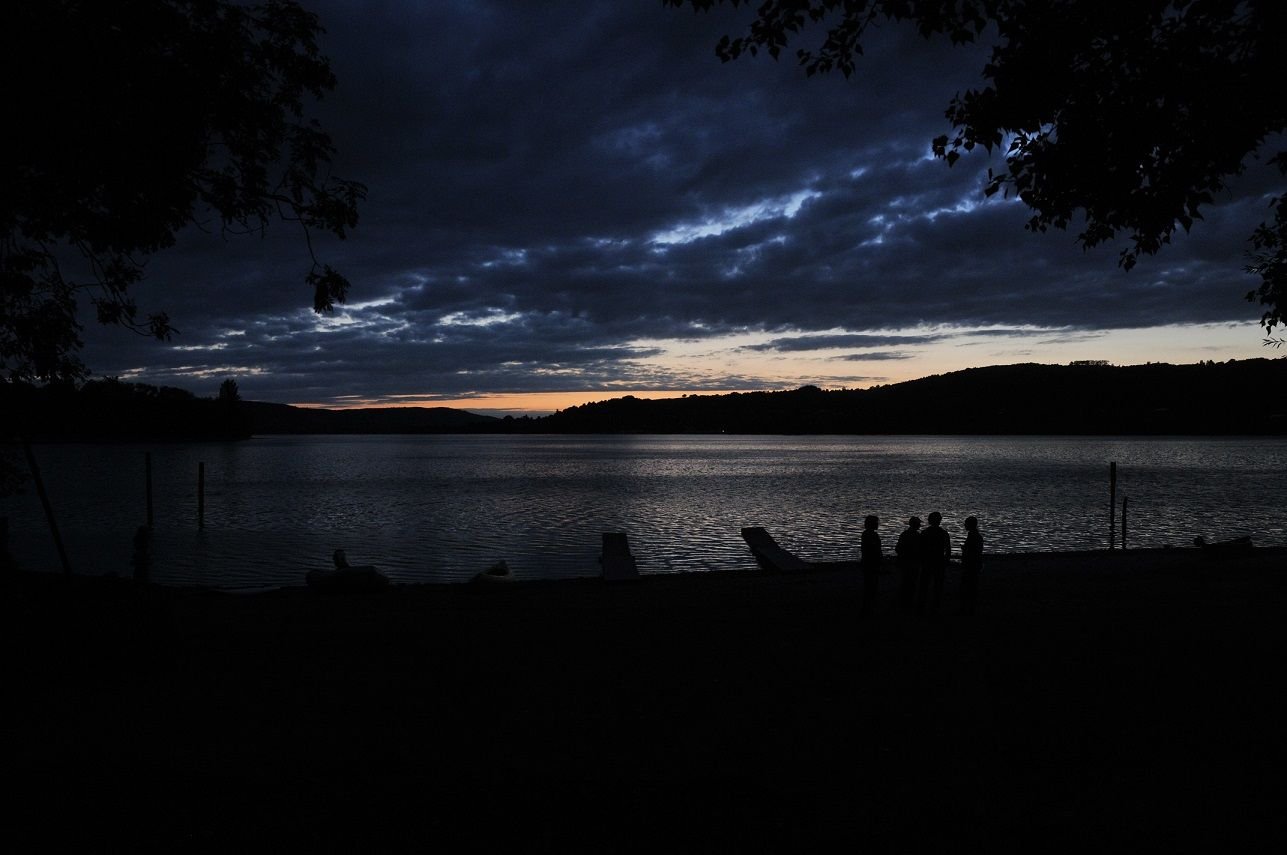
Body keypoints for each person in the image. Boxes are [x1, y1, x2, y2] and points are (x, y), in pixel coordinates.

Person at [916, 511, 951, 614]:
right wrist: (946, 561)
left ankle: (922, 605)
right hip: (938, 562)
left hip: (927, 562)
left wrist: (921, 560)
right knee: (937, 585)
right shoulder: (943, 533)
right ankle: (935, 606)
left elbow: (920, 548)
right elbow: (948, 549)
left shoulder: (925, 533)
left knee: (924, 585)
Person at [894, 516, 922, 609]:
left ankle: (903, 601)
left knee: (905, 581)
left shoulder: (904, 534)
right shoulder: (918, 536)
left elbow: (898, 548)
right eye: (919, 524)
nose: (920, 525)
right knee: (912, 583)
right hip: (913, 562)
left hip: (905, 562)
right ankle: (909, 602)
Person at [960, 516, 983, 615]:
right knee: (972, 586)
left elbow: (972, 552)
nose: (964, 525)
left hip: (970, 564)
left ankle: (967, 609)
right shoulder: (977, 536)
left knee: (968, 586)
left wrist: (965, 550)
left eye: (966, 523)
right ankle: (970, 608)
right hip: (974, 564)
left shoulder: (973, 536)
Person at [860, 514, 881, 615]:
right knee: (871, 585)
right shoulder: (871, 535)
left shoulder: (866, 534)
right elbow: (874, 550)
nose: (878, 524)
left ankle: (868, 607)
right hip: (871, 563)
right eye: (876, 523)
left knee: (869, 585)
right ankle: (869, 608)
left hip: (868, 562)